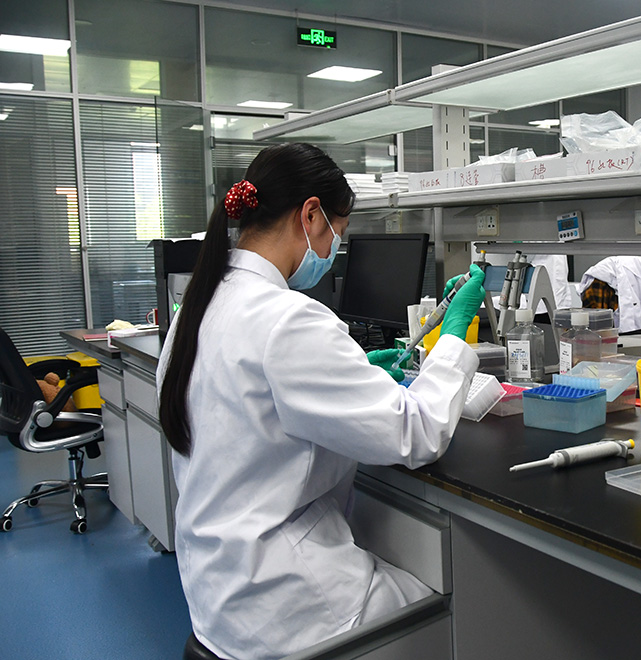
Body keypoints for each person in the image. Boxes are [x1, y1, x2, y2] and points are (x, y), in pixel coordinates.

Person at [157, 143, 485, 660]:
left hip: (218, 592)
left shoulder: (198, 306)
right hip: (285, 604)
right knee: (471, 603)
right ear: (310, 214)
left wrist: (358, 376)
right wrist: (456, 337)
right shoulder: (287, 319)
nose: (337, 248)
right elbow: (418, 431)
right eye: (340, 232)